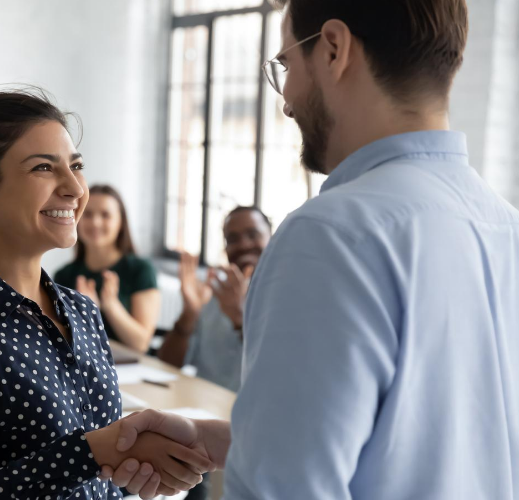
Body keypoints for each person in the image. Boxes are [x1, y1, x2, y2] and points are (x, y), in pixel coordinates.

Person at [101, 0, 519, 499]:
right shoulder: (504, 225)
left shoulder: (331, 234)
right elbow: (436, 451)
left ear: (334, 49)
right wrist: (237, 443)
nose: (286, 102)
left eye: (286, 66)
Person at [0, 90, 211, 499]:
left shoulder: (81, 310)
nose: (76, 188)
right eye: (44, 168)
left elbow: (94, 473)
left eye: (76, 166)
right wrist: (90, 453)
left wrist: (132, 467)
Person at [158, 206, 271, 392]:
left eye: (253, 235)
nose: (243, 245)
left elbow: (278, 371)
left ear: (272, 238)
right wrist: (189, 314)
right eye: (232, 239)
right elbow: (167, 363)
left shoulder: (287, 296)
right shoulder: (212, 292)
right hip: (204, 408)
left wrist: (239, 319)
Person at [54, 185, 160, 353]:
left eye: (105, 215)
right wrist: (88, 312)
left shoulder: (140, 270)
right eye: (87, 214)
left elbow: (141, 344)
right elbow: (62, 340)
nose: (95, 222)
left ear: (121, 222)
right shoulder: (64, 275)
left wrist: (110, 305)